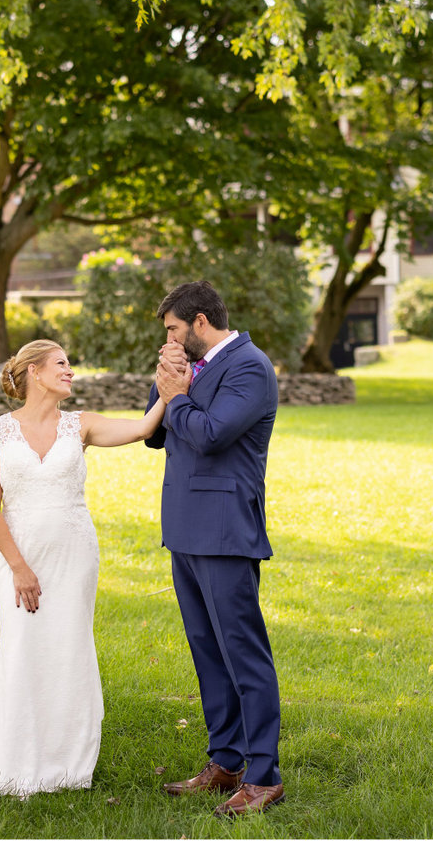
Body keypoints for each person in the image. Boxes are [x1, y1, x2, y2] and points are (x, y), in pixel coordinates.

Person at [0, 339, 168, 798]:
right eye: (61, 364)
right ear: (34, 371)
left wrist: (168, 390)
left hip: (74, 554)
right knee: (23, 645)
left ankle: (69, 764)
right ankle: (13, 758)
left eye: (70, 364)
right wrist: (19, 567)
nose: (71, 371)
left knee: (68, 646)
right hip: (20, 557)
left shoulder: (81, 426)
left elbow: (144, 428)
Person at [145, 281, 285, 817]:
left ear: (200, 321)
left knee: (242, 654)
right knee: (208, 653)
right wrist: (166, 383)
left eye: (174, 330)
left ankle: (264, 775)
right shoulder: (187, 368)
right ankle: (225, 761)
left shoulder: (250, 367)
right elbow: (156, 434)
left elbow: (209, 435)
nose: (170, 340)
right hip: (183, 527)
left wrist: (178, 395)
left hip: (225, 529)